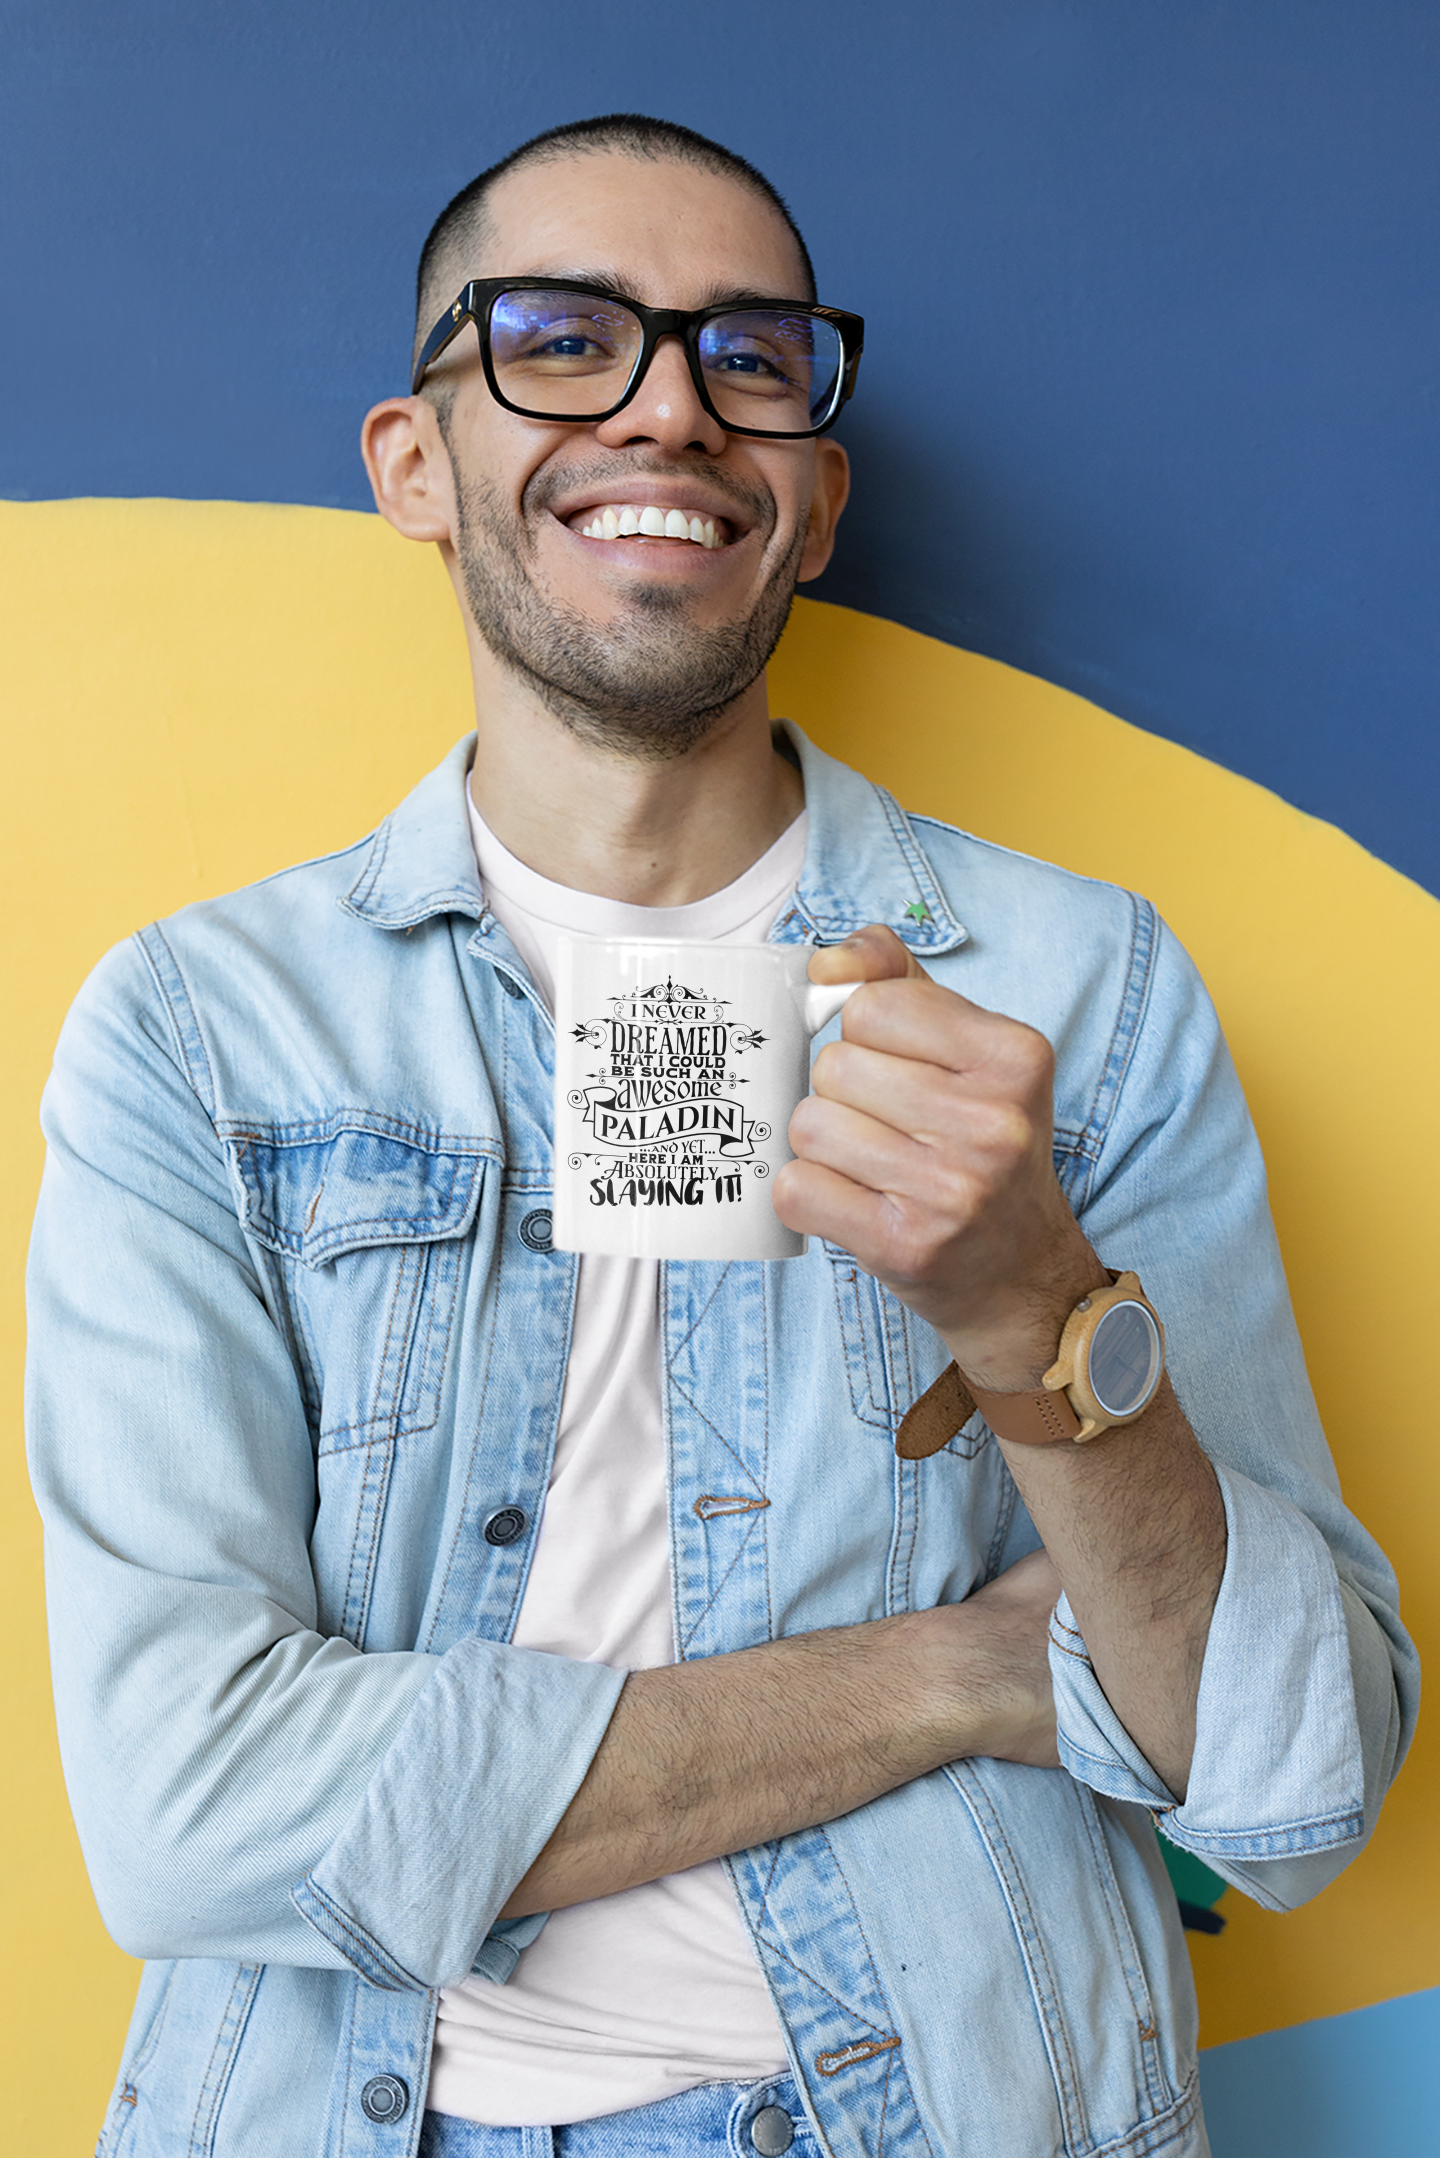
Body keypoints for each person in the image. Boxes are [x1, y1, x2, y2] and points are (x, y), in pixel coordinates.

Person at [27, 114, 1415, 2158]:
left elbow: (1296, 1777)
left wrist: (1041, 1309)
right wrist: (957, 1673)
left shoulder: (1078, 989)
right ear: (412, 465)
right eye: (563, 339)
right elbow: (185, 1809)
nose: (671, 405)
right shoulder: (197, 1031)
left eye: (748, 359)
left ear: (815, 499)